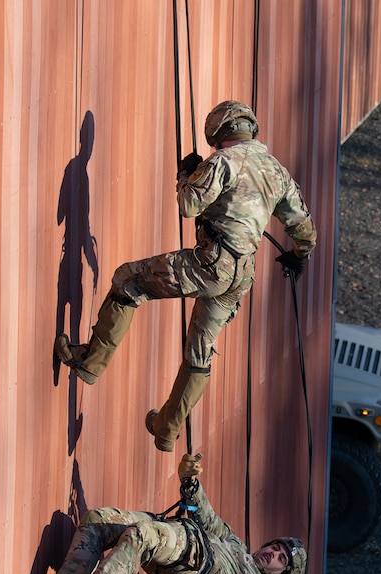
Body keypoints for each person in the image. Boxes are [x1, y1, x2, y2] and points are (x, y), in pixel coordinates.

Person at [54, 100, 317, 452]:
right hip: (240, 278)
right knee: (200, 351)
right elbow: (303, 229)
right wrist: (298, 258)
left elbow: (188, 205)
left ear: (221, 132)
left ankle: (89, 362)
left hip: (210, 264)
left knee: (128, 281)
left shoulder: (223, 162)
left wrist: (187, 175)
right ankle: (167, 429)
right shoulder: (276, 171)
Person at [23, 454, 307, 574]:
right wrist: (191, 484)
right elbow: (207, 518)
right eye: (276, 547)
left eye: (281, 559)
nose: (273, 553)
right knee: (98, 519)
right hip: (179, 534)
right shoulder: (236, 544)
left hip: (193, 557)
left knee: (143, 535)